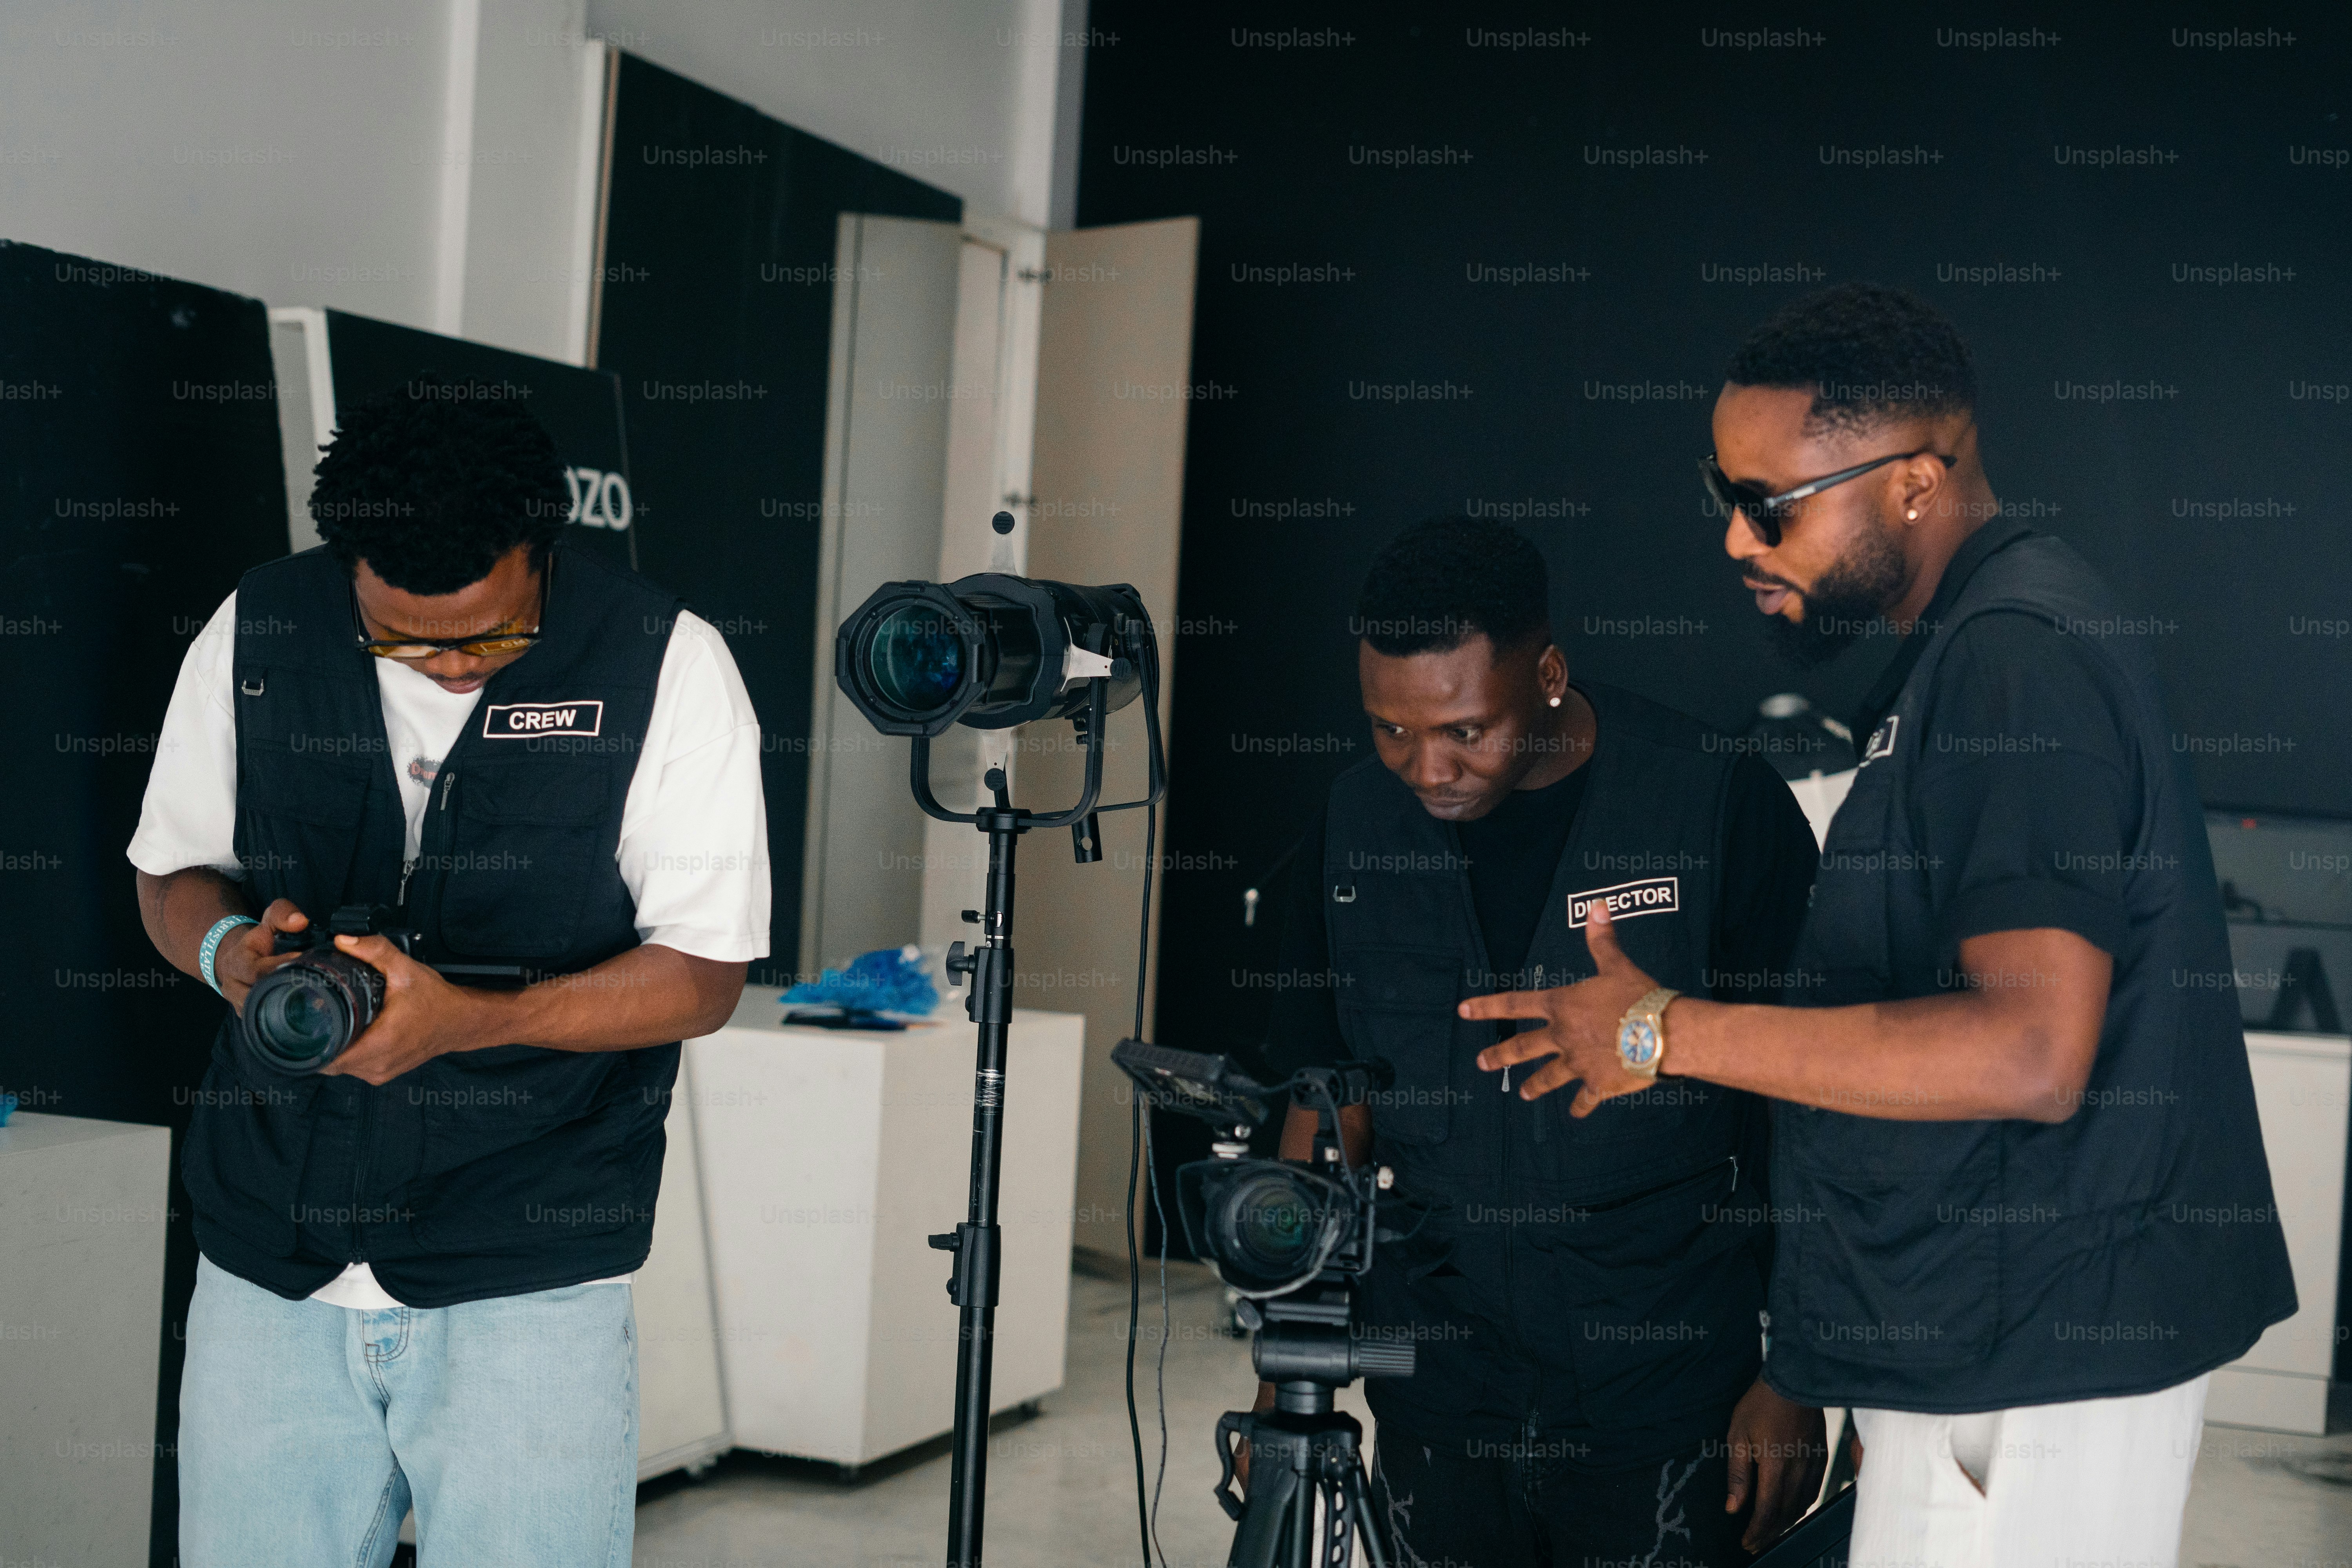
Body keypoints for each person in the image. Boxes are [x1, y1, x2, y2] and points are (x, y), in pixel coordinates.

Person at [1469, 284, 2296, 1568]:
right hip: (1986, 1344)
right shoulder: (1966, 650)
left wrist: (1658, 1033)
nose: (1737, 540)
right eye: (1722, 493)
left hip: (2036, 1370)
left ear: (1914, 483)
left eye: (1773, 505)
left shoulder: (2016, 658)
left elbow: (2027, 1051)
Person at [128, 381, 769, 1567]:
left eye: (490, 635)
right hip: (269, 1256)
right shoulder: (259, 630)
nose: (451, 667)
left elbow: (702, 975)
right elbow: (172, 875)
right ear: (348, 569)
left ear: (546, 550)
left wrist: (464, 1021)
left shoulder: (665, 664)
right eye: (406, 639)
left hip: (527, 1266)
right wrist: (231, 959)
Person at [1253, 517, 1826, 1564]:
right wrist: (1286, 1369)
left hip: (1663, 1388)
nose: (1428, 769)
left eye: (1466, 731)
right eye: (1390, 730)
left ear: (1549, 672)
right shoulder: (1352, 826)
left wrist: (1798, 1374)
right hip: (1438, 1385)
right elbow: (1326, 1107)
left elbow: (1814, 1102)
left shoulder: (1713, 802)